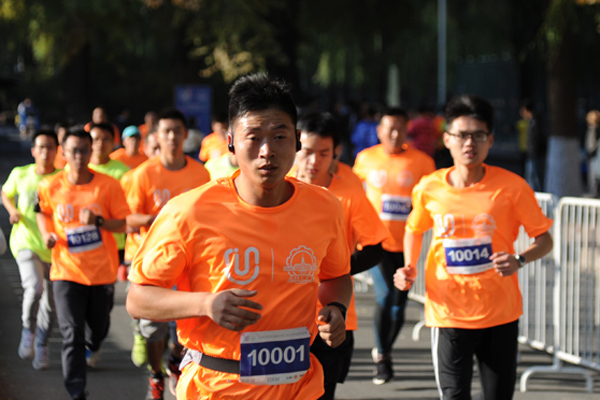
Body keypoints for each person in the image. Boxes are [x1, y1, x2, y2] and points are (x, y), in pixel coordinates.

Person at [126, 73, 352, 400]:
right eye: (254, 138)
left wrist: (336, 307)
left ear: (297, 140)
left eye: (279, 136)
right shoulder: (189, 211)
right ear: (231, 142)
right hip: (218, 387)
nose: (267, 151)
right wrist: (205, 304)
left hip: (299, 386)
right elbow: (138, 298)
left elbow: (336, 276)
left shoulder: (325, 207)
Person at [394, 94, 553, 400]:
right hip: (447, 312)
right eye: (462, 135)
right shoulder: (429, 187)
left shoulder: (512, 187)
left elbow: (545, 240)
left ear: (490, 140)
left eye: (478, 135)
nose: (470, 143)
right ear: (447, 139)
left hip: (500, 312)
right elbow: (414, 229)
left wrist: (519, 259)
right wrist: (409, 266)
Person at [294, 112, 388, 400]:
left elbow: (374, 248)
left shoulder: (349, 194)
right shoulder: (278, 187)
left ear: (336, 152)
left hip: (330, 317)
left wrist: (331, 272)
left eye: (323, 153)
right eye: (307, 151)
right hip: (284, 317)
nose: (314, 161)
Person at [35, 128, 130, 400]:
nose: (79, 156)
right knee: (71, 333)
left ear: (91, 152)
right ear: (63, 153)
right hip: (65, 271)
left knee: (96, 330)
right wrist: (46, 234)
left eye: (84, 150)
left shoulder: (108, 185)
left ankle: (94, 342)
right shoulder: (50, 185)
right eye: (73, 151)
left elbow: (123, 223)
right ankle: (76, 391)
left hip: (101, 273)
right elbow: (41, 211)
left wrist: (98, 221)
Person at [125, 108, 211, 399]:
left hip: (190, 262)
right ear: (156, 137)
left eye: (177, 131)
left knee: (186, 324)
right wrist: (162, 219)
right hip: (154, 263)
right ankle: (155, 373)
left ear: (186, 135)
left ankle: (175, 360)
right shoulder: (144, 174)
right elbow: (129, 218)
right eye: (166, 132)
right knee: (153, 330)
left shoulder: (200, 173)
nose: (172, 137)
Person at [353, 107, 436, 385]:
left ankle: (385, 348)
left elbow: (431, 199)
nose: (394, 133)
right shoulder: (366, 158)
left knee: (399, 305)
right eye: (388, 128)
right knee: (386, 295)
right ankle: (383, 358)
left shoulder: (422, 162)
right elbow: (352, 193)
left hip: (407, 244)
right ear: (379, 131)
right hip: (376, 242)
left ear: (406, 129)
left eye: (399, 128)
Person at [1, 129, 60, 370]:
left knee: (51, 303)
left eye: (50, 147)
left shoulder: (62, 179)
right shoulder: (20, 173)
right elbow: (5, 193)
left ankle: (42, 344)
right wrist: (13, 210)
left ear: (57, 151)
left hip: (56, 249)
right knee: (34, 287)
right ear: (33, 150)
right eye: (41, 147)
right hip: (25, 242)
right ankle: (28, 330)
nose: (45, 152)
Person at [520, 99, 546, 192]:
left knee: (534, 179)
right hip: (532, 155)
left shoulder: (535, 122)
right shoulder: (532, 122)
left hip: (535, 156)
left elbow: (538, 140)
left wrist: (533, 153)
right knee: (532, 178)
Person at [585, 110, 600, 196]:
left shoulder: (594, 129)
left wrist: (590, 153)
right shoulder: (594, 129)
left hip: (594, 158)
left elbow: (591, 146)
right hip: (595, 158)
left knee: (593, 180)